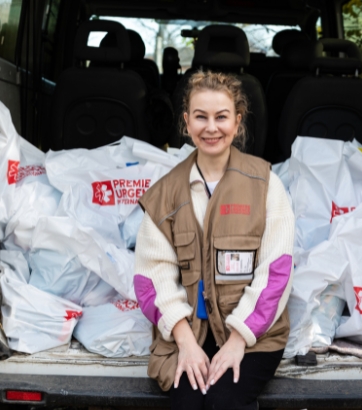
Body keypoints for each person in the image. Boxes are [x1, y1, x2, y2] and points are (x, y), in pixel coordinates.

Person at [133, 70, 295, 410]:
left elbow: (276, 273)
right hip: (188, 333)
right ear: (186, 122)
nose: (211, 128)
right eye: (200, 117)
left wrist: (238, 341)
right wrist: (186, 343)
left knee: (223, 401)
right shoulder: (164, 194)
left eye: (221, 117)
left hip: (252, 337)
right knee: (188, 402)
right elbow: (151, 277)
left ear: (237, 122)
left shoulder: (267, 184)